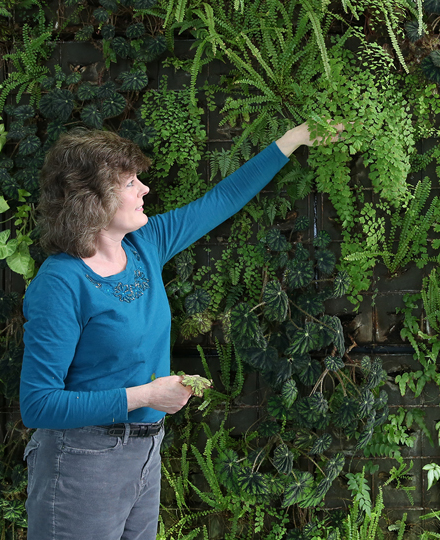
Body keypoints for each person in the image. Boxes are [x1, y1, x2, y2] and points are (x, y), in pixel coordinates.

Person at [20, 122, 339, 540]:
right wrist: (145, 397)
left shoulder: (144, 245)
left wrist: (293, 139)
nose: (144, 189)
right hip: (83, 461)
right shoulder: (60, 283)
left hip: (145, 451)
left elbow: (221, 200)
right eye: (130, 182)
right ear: (91, 201)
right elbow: (38, 405)